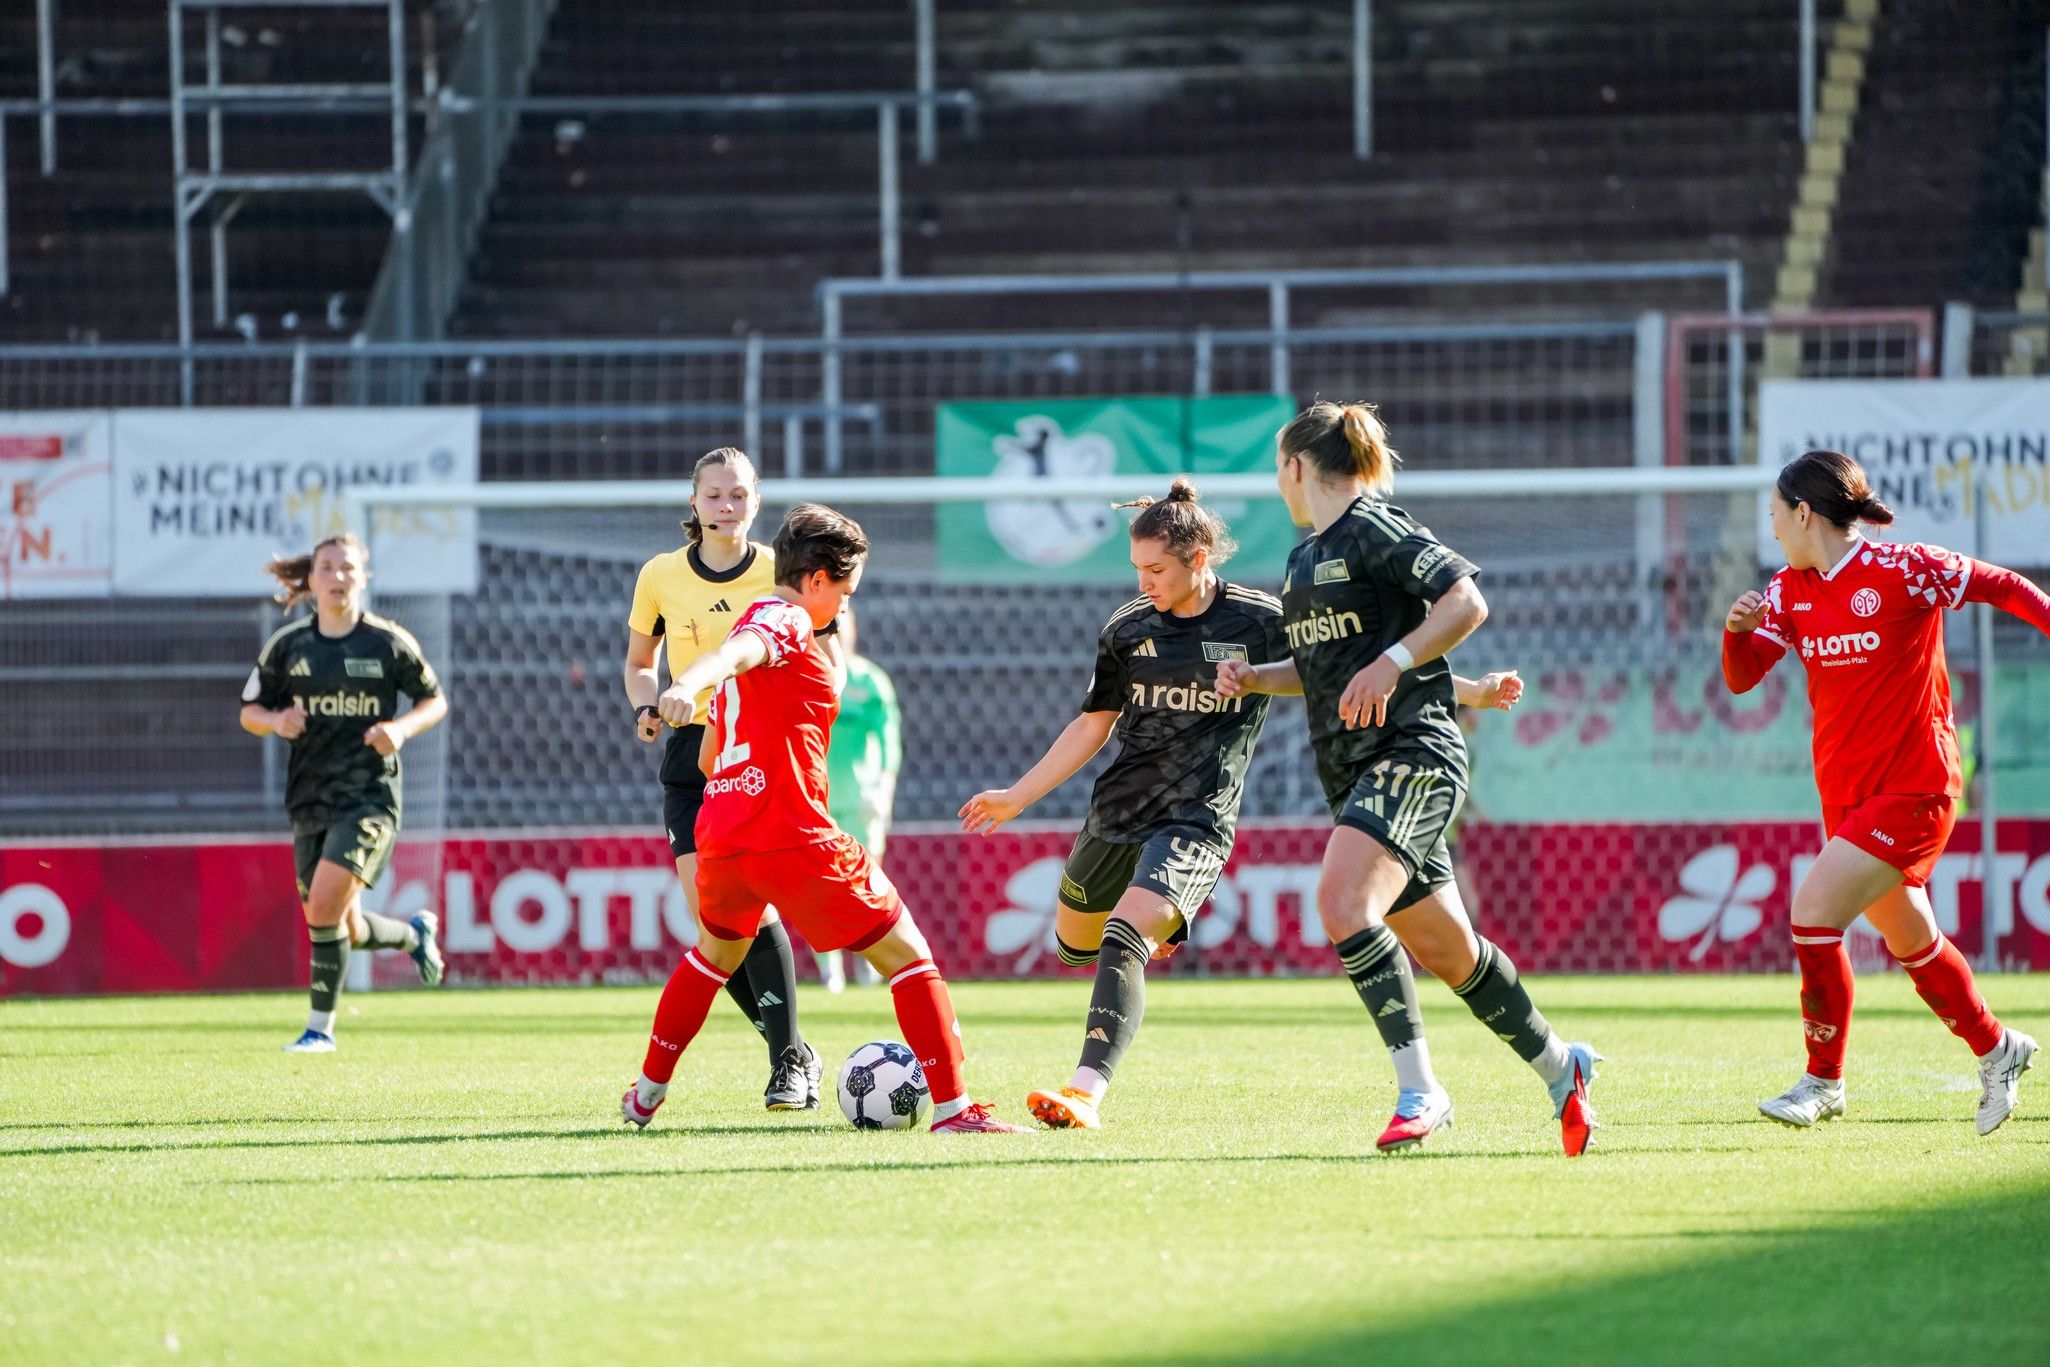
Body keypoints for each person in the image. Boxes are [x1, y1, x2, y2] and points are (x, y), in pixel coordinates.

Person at [1215, 400, 1600, 1156]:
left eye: (1277, 469)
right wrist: (1257, 677)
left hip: (1413, 755)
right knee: (1452, 952)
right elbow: (1329, 669)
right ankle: (1564, 1066)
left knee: (1343, 904)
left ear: (1296, 466)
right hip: (1354, 768)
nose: (1278, 483)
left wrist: (1395, 663)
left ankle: (1421, 1090)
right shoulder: (1303, 561)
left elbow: (1466, 601)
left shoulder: (1376, 525)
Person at [621, 503, 1028, 1134]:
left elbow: (707, 754)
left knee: (713, 956)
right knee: (909, 956)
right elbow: (731, 658)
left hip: (724, 834)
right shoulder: (782, 620)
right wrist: (683, 684)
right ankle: (954, 1110)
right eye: (844, 592)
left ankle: (646, 1094)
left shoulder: (753, 634)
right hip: (791, 833)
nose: (841, 607)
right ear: (815, 580)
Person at [1723, 447, 2049, 1134]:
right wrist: (1735, 633)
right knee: (1911, 938)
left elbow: (2003, 586)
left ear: (1804, 514)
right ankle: (1998, 1049)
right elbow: (1743, 677)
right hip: (1846, 793)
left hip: (1917, 785)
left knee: (1813, 914)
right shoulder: (1788, 590)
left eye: (1775, 513)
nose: (1771, 527)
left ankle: (1823, 1081)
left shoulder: (1904, 568)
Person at [959, 480, 1284, 1128]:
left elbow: (1330, 671)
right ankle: (1144, 927)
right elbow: (1093, 724)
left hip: (1196, 818)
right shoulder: (1128, 628)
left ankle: (1085, 1090)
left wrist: (1258, 679)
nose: (1144, 582)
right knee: (1074, 946)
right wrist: (1018, 796)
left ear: (1199, 558)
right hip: (1118, 812)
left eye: (1156, 569)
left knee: (1123, 933)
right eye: (1137, 568)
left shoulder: (1260, 622)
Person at [624, 448, 818, 1109]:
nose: (726, 505)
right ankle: (795, 1050)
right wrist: (646, 707)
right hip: (690, 756)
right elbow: (640, 662)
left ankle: (787, 1062)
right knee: (716, 922)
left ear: (756, 501)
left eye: (738, 494)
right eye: (713, 494)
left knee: (752, 906)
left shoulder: (778, 570)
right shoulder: (660, 574)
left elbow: (822, 648)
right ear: (694, 502)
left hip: (756, 751)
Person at [238, 532, 449, 1053]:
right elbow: (249, 712)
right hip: (310, 800)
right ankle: (413, 935)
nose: (338, 576)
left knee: (324, 906)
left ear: (364, 577)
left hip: (369, 799)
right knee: (342, 925)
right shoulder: (288, 646)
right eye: (327, 567)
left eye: (348, 567)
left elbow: (434, 700)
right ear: (311, 580)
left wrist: (400, 729)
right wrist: (276, 720)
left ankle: (319, 1030)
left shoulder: (386, 642)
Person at [817, 602, 901, 992]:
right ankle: (830, 970)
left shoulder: (870, 682)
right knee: (821, 886)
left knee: (866, 884)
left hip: (861, 799)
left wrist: (883, 790)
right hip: (817, 800)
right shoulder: (809, 677)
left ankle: (869, 963)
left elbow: (889, 741)